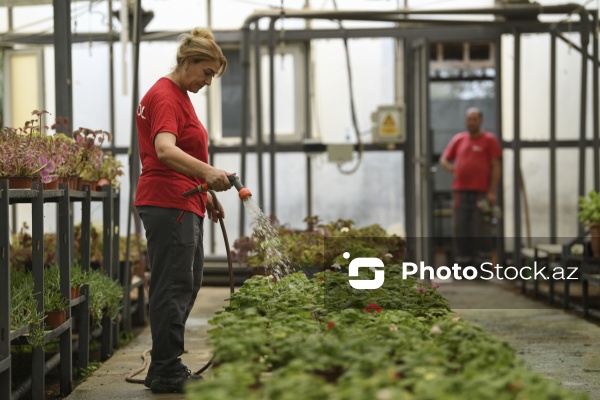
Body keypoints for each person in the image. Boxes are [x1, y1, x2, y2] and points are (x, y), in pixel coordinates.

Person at [134, 27, 233, 394]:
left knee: (184, 283)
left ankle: (166, 363)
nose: (208, 81)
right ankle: (164, 369)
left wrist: (205, 191)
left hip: (183, 199)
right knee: (172, 286)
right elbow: (165, 149)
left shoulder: (178, 95)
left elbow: (181, 152)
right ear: (189, 62)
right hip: (168, 202)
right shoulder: (165, 96)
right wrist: (208, 172)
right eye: (206, 72)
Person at [439, 107, 502, 269]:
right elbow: (444, 159)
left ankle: (481, 268)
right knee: (460, 229)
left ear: (481, 121)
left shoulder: (489, 140)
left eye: (475, 119)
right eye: (469, 119)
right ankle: (462, 267)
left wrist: (492, 191)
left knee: (481, 231)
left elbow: (496, 166)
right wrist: (453, 169)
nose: (471, 122)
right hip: (460, 192)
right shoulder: (459, 139)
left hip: (481, 194)